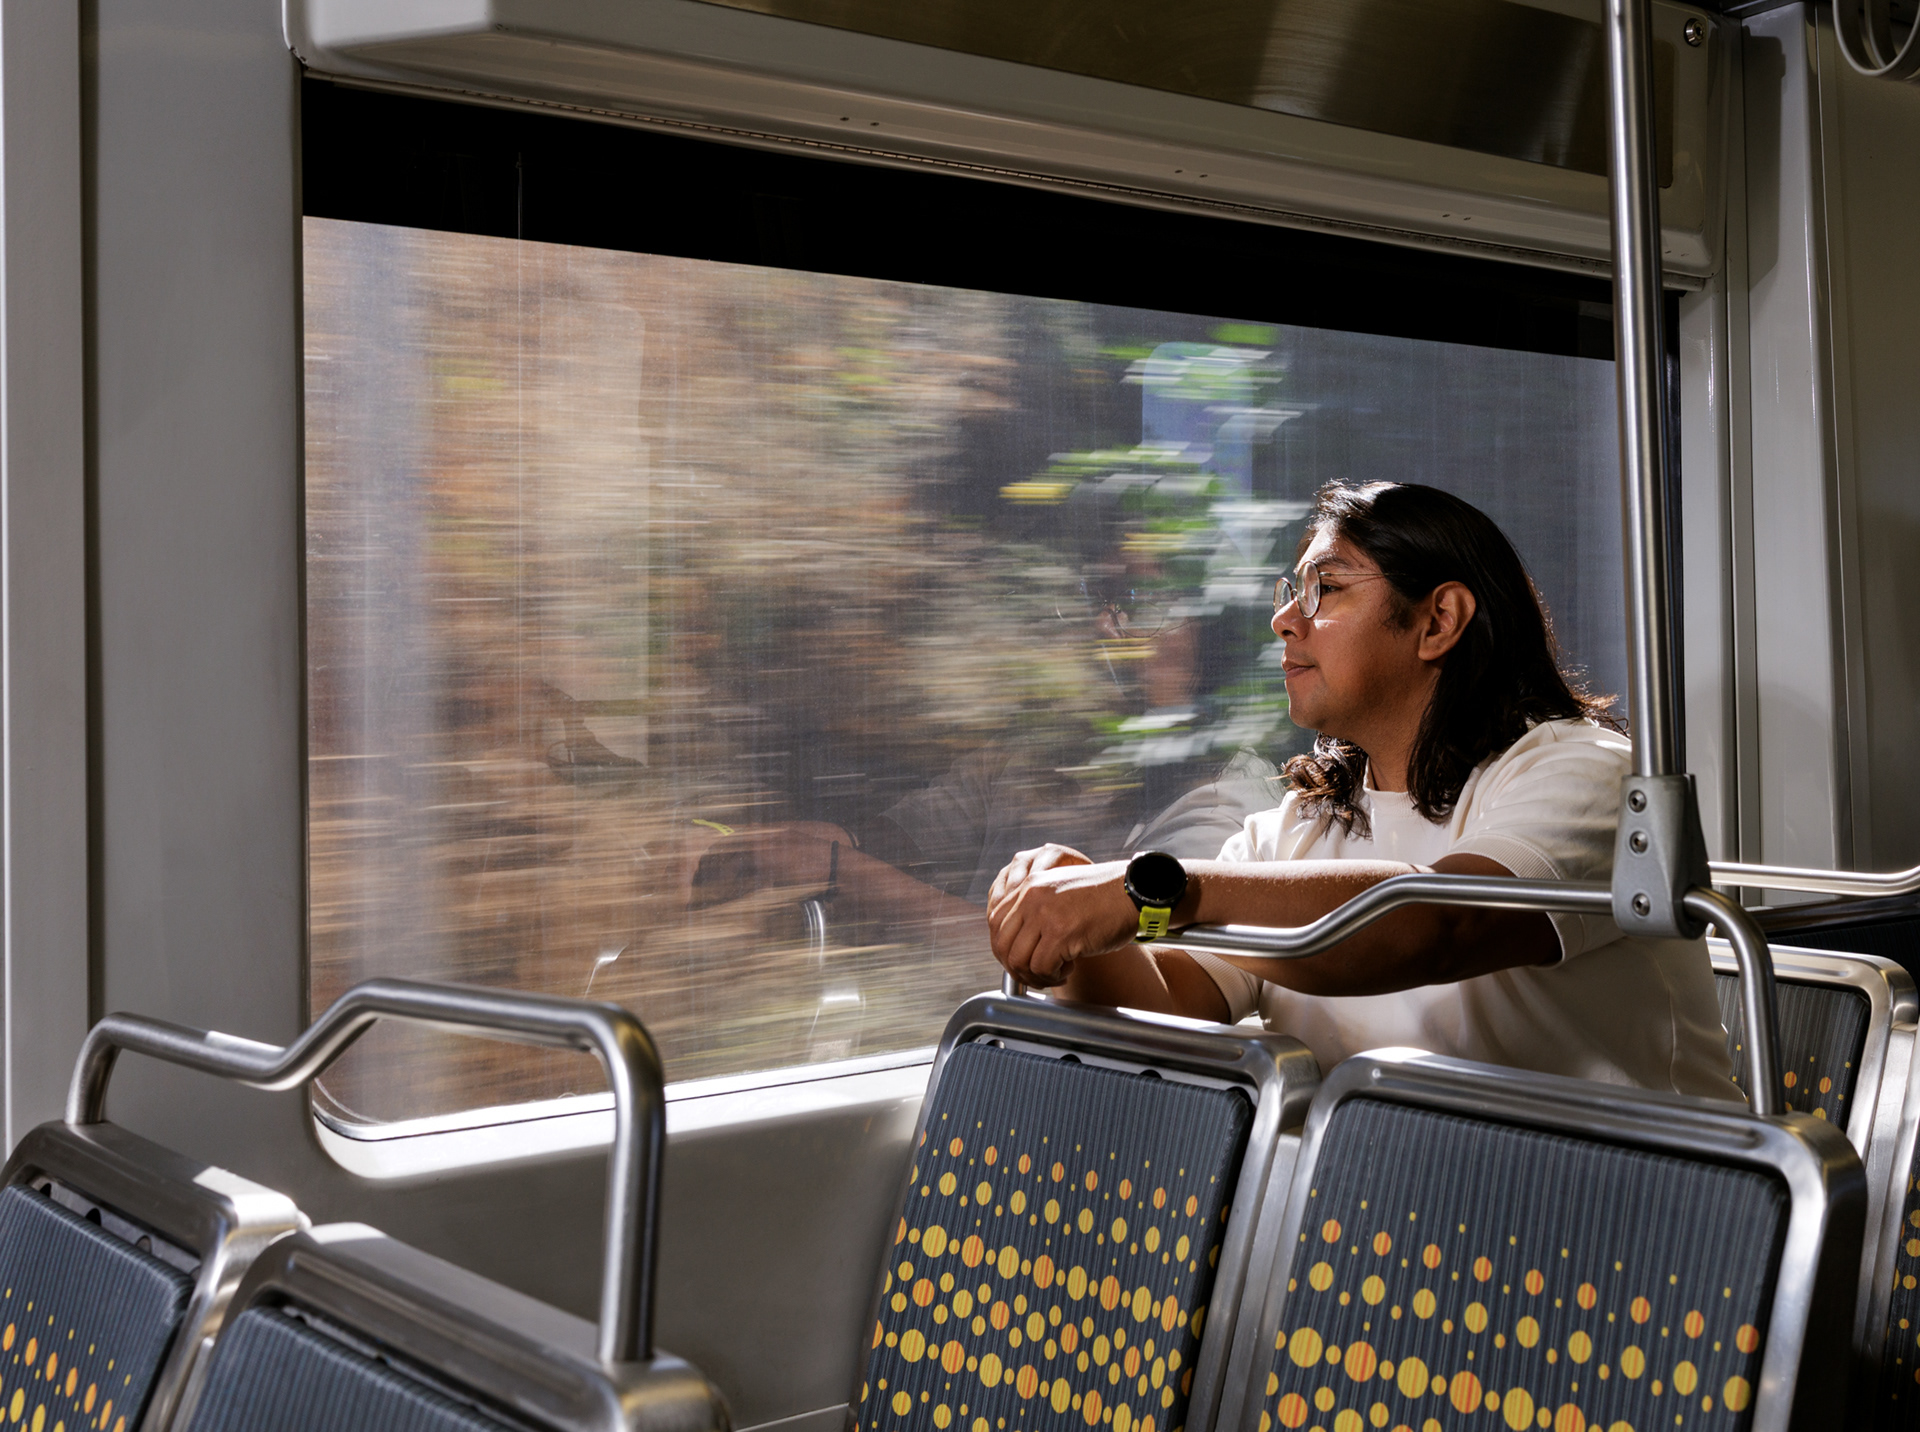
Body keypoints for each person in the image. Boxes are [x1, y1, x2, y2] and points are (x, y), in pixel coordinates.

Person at [986, 481, 1739, 1101]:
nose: (1283, 620)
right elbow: (1173, 1002)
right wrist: (1066, 920)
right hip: (1399, 1205)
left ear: (1438, 621)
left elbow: (1432, 927)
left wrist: (1155, 888)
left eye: (1325, 589)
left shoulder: (1590, 775)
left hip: (1633, 1201)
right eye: (1291, 593)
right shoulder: (1300, 828)